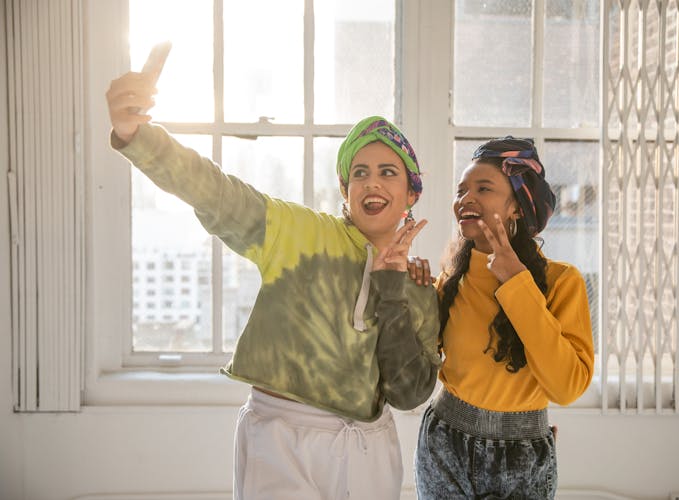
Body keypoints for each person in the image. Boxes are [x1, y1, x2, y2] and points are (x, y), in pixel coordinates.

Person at [106, 70, 441, 500]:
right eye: (359, 172)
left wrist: (392, 287)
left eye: (387, 172)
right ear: (345, 188)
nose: (372, 182)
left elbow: (409, 393)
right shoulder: (299, 233)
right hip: (280, 440)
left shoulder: (419, 287)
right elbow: (217, 194)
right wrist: (136, 135)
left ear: (411, 193)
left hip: (367, 449)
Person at [412, 137, 594, 499]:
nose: (465, 198)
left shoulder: (562, 282)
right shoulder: (451, 280)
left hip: (523, 454)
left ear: (516, 206)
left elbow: (567, 386)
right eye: (461, 189)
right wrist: (411, 295)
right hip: (444, 440)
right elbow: (418, 357)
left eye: (484, 188)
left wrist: (516, 283)